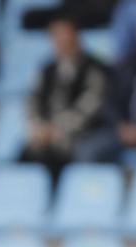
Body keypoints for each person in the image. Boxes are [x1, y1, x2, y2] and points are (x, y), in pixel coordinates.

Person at [21, 17, 111, 185]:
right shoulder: (46, 70)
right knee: (23, 155)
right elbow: (32, 102)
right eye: (55, 36)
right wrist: (38, 127)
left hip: (79, 135)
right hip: (46, 136)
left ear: (76, 36)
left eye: (64, 35)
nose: (60, 41)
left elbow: (89, 108)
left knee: (58, 158)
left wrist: (56, 129)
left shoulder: (95, 69)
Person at [80, 13, 136, 163]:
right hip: (122, 130)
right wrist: (121, 126)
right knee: (88, 150)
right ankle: (99, 186)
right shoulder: (125, 65)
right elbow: (109, 100)